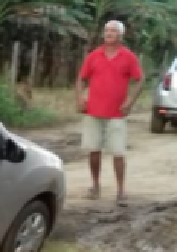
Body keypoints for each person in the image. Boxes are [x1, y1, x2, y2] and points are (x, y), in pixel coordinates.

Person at [74, 20, 144, 204]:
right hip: (93, 111)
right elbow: (81, 78)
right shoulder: (94, 55)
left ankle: (121, 190)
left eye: (113, 31)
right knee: (94, 150)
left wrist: (129, 102)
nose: (109, 33)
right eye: (107, 30)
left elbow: (139, 80)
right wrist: (80, 98)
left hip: (117, 113)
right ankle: (95, 185)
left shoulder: (128, 57)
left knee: (118, 153)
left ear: (121, 35)